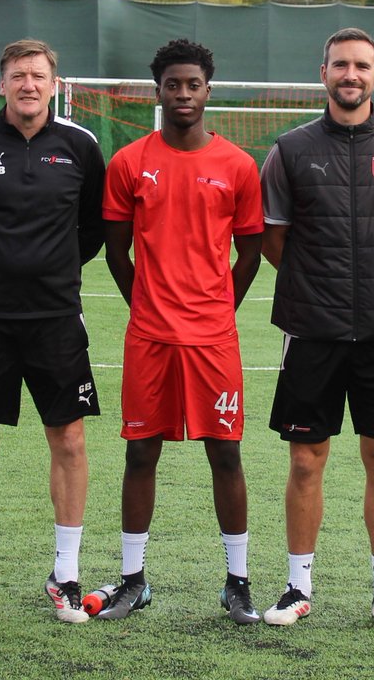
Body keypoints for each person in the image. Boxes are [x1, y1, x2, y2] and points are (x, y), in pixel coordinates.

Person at [259, 27, 374, 630]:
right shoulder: (290, 150)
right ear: (324, 73)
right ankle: (297, 586)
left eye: (362, 66)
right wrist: (321, 285)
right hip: (311, 329)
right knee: (305, 461)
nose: (351, 75)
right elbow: (275, 240)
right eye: (341, 64)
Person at [95, 39, 263, 623]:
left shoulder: (238, 166)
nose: (183, 94)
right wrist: (146, 306)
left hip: (213, 338)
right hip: (150, 337)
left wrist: (218, 310)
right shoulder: (128, 162)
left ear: (208, 90)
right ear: (158, 91)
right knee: (141, 451)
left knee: (226, 453)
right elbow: (116, 253)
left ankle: (237, 583)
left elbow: (251, 254)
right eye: (173, 85)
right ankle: (133, 580)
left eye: (193, 84)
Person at [0, 39, 106, 624]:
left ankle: (66, 575)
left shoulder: (81, 146)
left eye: (38, 75)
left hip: (57, 319)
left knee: (70, 441)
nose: (28, 85)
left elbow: (93, 229)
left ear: (54, 85)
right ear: (2, 84)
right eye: (17, 76)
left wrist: (48, 274)